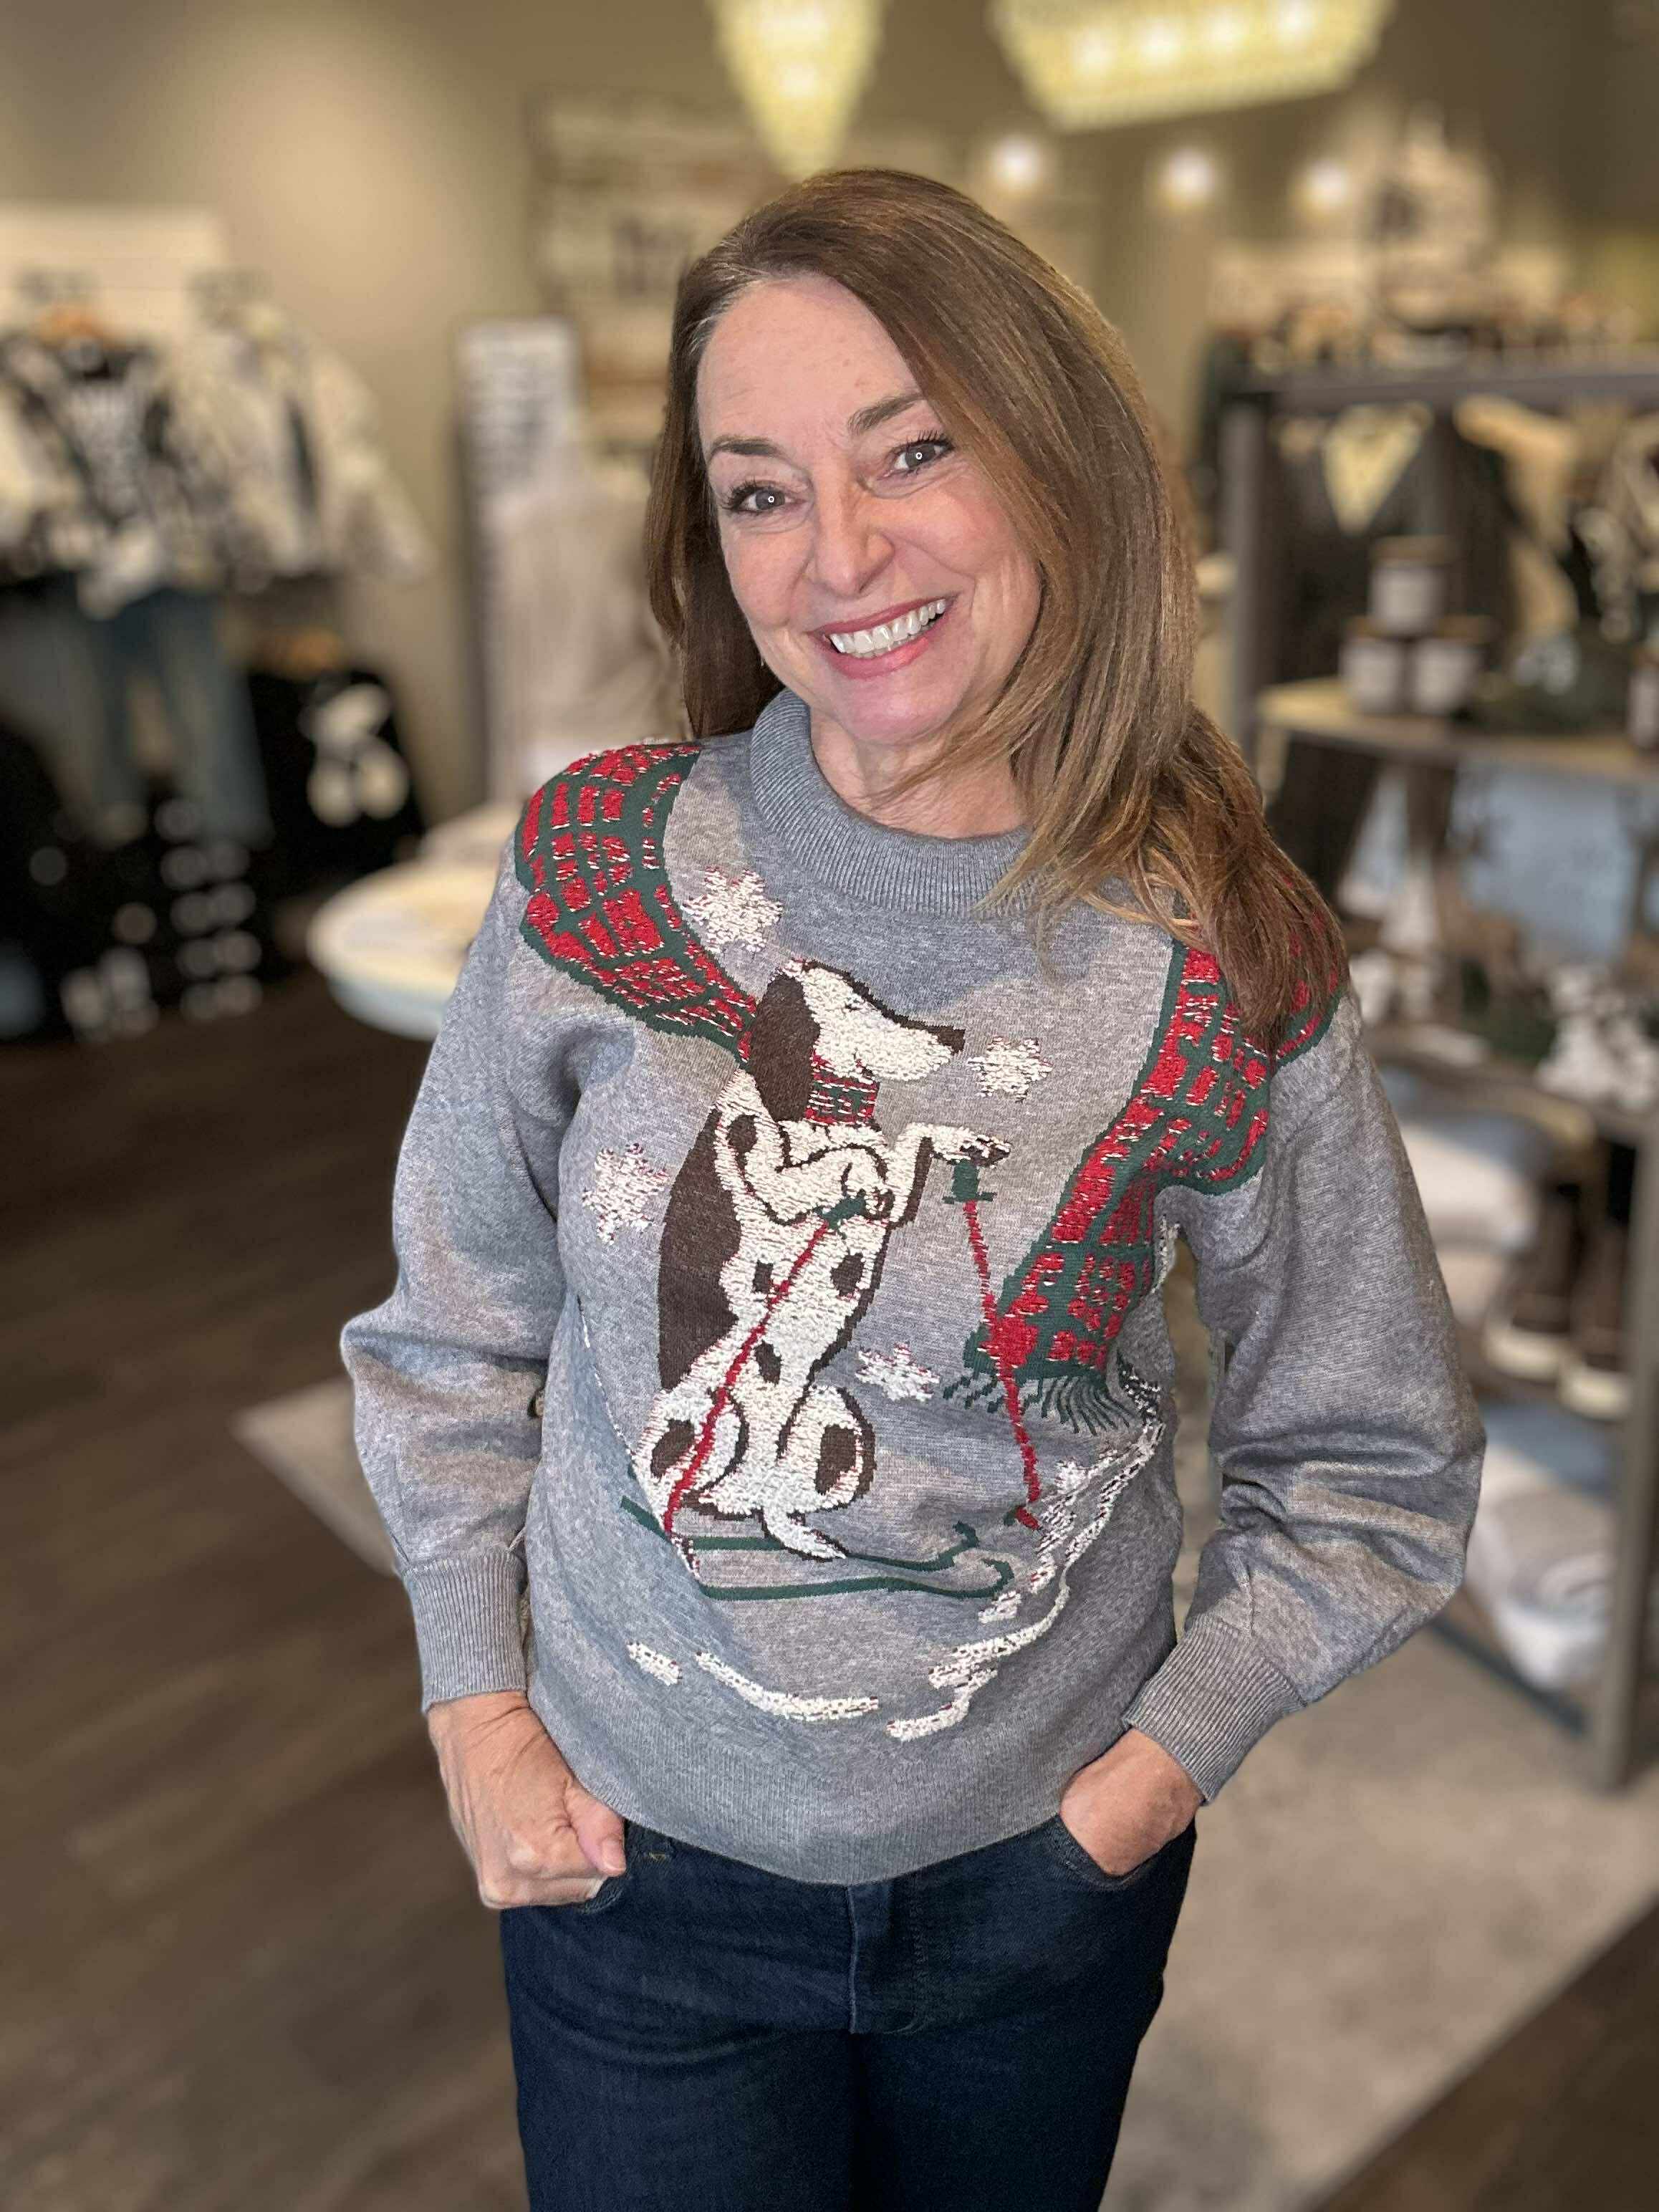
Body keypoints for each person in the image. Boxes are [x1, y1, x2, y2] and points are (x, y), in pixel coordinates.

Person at [341, 166, 1484, 2212]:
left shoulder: (1218, 942)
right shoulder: (602, 866)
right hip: (629, 1877)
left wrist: (1145, 1786)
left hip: (1031, 1896)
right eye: (760, 489)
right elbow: (451, 1329)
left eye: (915, 450)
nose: (839, 553)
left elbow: (1370, 1458)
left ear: (1057, 461)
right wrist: (473, 1705)